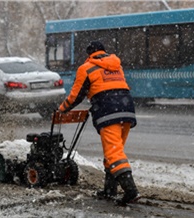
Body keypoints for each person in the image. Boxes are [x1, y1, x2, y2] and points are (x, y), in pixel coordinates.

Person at [58, 40, 140, 206]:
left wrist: (62, 109)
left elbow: (76, 96)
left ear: (89, 54)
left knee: (113, 154)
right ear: (103, 51)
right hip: (127, 108)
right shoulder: (116, 65)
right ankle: (109, 191)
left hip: (108, 110)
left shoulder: (86, 68)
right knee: (116, 150)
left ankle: (131, 191)